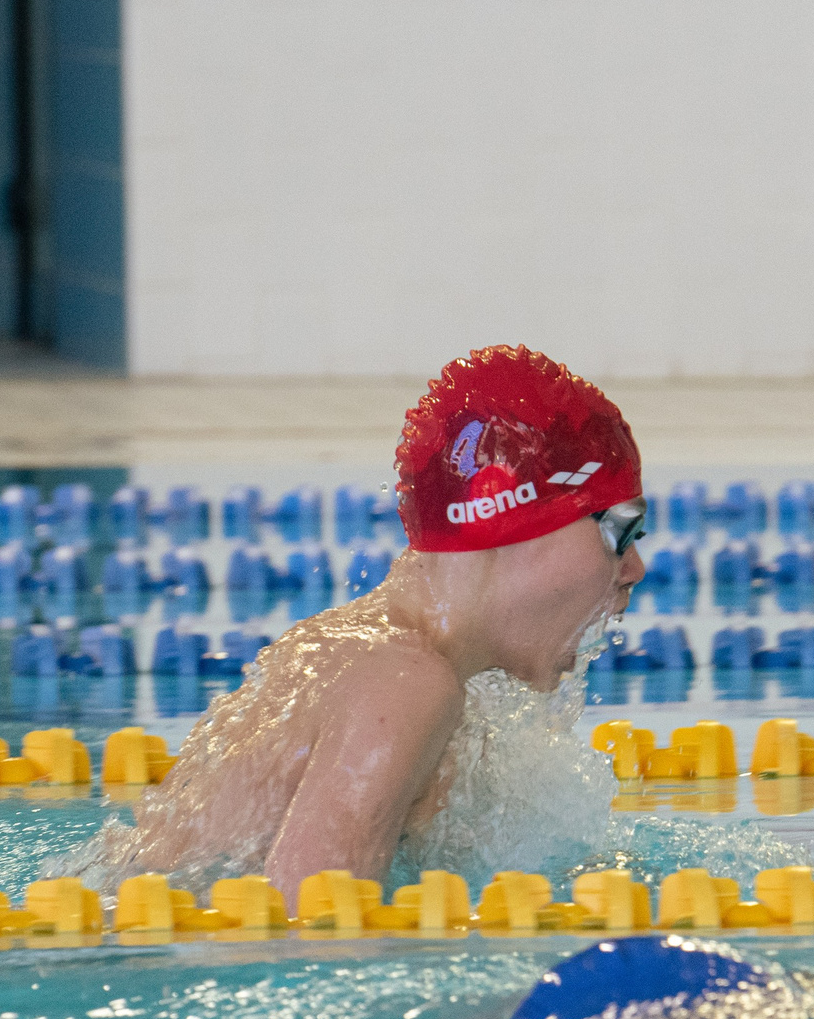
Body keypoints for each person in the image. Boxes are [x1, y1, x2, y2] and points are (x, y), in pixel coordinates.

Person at [119, 346, 649, 888]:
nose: (635, 567)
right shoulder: (405, 687)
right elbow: (317, 935)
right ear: (509, 519)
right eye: (619, 534)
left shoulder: (371, 651)